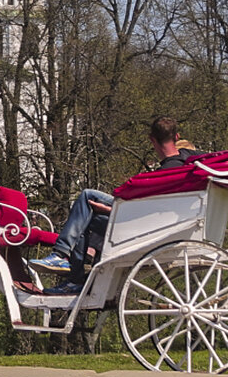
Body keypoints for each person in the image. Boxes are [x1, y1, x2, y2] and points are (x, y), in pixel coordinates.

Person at [30, 116, 200, 295]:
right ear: (177, 136)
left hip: (147, 227)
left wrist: (113, 211)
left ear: (152, 139)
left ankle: (62, 257)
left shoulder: (164, 173)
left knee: (87, 196)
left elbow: (147, 211)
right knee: (86, 219)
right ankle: (74, 277)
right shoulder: (188, 163)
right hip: (166, 221)